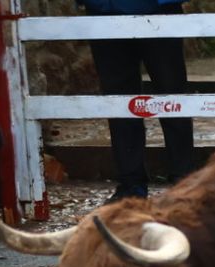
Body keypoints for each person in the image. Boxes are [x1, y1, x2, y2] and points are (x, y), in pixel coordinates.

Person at [76, 0, 197, 201]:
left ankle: (182, 181)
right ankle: (132, 185)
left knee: (173, 97)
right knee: (119, 101)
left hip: (159, 9)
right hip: (106, 11)